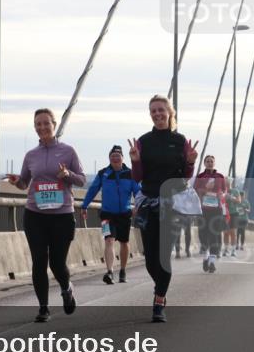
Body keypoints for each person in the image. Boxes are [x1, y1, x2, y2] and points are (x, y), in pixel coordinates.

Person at [8, 108, 86, 323]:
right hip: (35, 215)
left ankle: (66, 288)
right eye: (38, 124)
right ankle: (43, 308)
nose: (42, 127)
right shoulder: (31, 155)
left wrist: (67, 175)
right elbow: (25, 183)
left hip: (61, 215)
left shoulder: (68, 152)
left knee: (57, 264)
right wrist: (17, 182)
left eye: (46, 123)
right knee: (38, 261)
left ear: (54, 125)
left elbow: (81, 181)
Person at [129, 95, 198, 322]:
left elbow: (186, 175)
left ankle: (159, 301)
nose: (157, 114)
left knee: (164, 256)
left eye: (161, 110)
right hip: (149, 202)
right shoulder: (143, 141)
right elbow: (138, 177)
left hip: (172, 204)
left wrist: (190, 162)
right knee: (150, 259)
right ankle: (160, 288)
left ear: (170, 112)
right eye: (153, 111)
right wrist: (136, 160)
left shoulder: (179, 141)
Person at [81, 145, 140, 285]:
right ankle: (109, 272)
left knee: (124, 242)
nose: (115, 158)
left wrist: (137, 206)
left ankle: (123, 270)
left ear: (122, 158)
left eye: (118, 155)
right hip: (106, 214)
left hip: (124, 214)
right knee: (109, 240)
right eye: (112, 155)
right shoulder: (103, 174)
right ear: (109, 158)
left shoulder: (130, 174)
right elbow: (93, 189)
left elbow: (138, 192)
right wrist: (84, 205)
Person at [194, 155, 227, 273]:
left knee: (214, 235)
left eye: (211, 161)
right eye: (207, 161)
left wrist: (221, 195)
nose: (209, 163)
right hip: (203, 210)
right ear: (204, 163)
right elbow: (196, 191)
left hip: (216, 209)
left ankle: (212, 262)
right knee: (203, 235)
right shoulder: (200, 176)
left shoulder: (220, 177)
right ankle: (205, 257)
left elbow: (224, 191)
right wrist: (205, 191)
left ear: (214, 163)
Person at [227, 188, 251, 254]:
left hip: (244, 219)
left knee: (242, 232)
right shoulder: (238, 201)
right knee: (237, 232)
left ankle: (242, 245)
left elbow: (249, 210)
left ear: (244, 196)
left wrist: (246, 210)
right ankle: (237, 245)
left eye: (242, 195)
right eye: (241, 195)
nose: (242, 196)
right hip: (238, 218)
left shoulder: (246, 202)